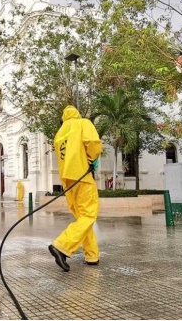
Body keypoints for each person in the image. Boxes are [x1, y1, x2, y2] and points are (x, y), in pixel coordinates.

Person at [48, 105, 103, 272]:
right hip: (82, 175)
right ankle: (61, 245)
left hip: (68, 181)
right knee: (88, 215)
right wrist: (91, 159)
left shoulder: (59, 134)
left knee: (83, 219)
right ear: (76, 114)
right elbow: (93, 143)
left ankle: (92, 256)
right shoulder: (82, 123)